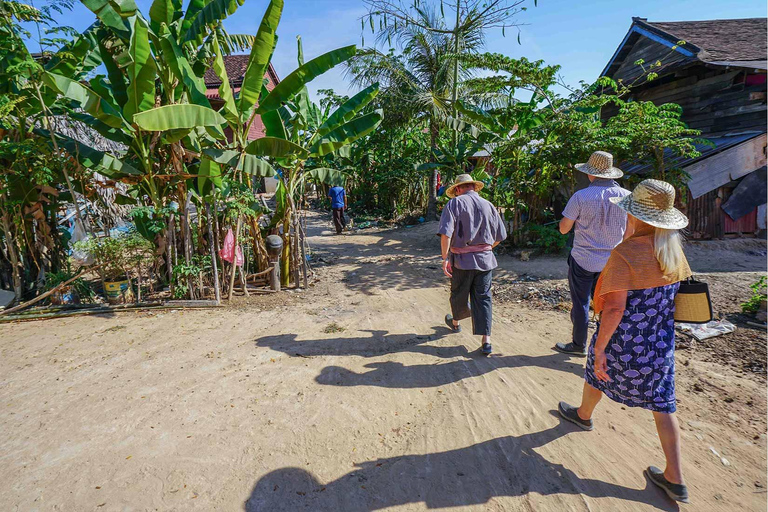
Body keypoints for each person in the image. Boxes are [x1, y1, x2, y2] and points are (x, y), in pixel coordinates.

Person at [557, 179, 692, 503]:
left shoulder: (625, 253)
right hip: (659, 345)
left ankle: (584, 415)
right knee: (663, 404)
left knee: (596, 369)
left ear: (636, 215)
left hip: (624, 342)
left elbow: (615, 307)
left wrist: (600, 347)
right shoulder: (673, 252)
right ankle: (675, 476)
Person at [556, 151, 631, 356]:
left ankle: (578, 345)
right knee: (610, 305)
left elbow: (563, 228)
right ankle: (608, 345)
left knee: (580, 303)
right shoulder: (626, 197)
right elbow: (630, 233)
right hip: (612, 262)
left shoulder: (580, 197)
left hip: (583, 259)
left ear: (591, 174)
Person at [438, 174, 507, 355]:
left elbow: (446, 234)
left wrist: (445, 258)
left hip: (461, 261)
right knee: (483, 298)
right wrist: (484, 249)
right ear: (474, 188)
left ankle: (455, 323)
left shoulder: (454, 204)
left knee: (459, 294)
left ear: (459, 189)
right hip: (486, 260)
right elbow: (500, 236)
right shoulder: (489, 205)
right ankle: (486, 341)